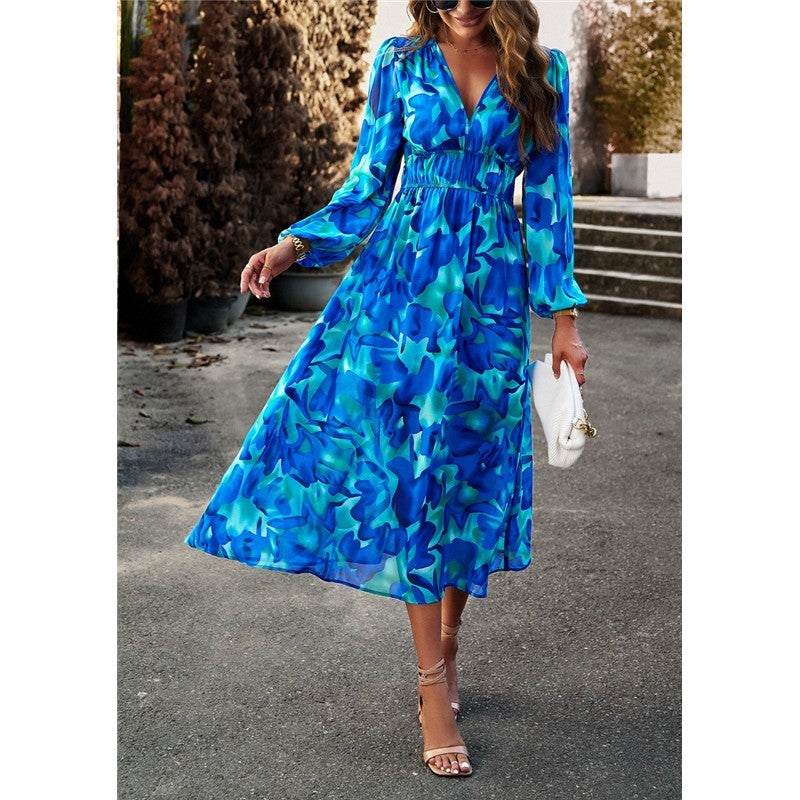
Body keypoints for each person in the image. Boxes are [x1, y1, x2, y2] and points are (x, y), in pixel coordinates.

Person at [185, 0, 588, 779]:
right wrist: (295, 243)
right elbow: (369, 184)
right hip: (400, 293)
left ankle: (450, 641)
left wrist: (565, 320)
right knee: (411, 477)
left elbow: (549, 203)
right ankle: (431, 685)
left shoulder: (543, 71)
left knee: (469, 477)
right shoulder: (400, 64)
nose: (462, 5)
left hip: (490, 299)